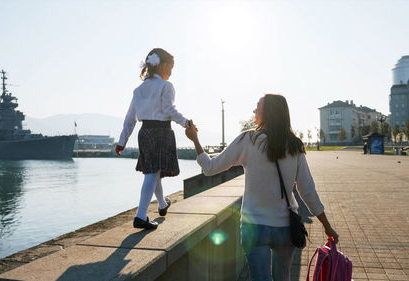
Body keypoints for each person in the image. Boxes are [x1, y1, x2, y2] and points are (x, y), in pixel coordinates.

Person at [185, 94, 339, 281]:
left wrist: (195, 139)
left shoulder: (248, 140)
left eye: (257, 107)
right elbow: (307, 190)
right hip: (285, 227)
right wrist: (327, 226)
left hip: (254, 227)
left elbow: (210, 168)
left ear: (267, 112)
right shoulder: (294, 145)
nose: (254, 110)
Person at [116, 48, 191, 229]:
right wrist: (186, 122)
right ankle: (141, 216)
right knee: (152, 173)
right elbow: (168, 110)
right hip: (161, 132)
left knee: (153, 171)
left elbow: (129, 119)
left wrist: (122, 141)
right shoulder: (166, 86)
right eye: (171, 67)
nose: (171, 72)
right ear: (163, 65)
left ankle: (162, 204)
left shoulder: (138, 90)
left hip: (145, 133)